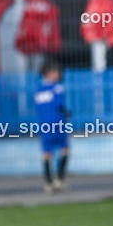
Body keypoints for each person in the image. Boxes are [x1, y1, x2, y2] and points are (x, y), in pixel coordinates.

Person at [34, 60, 70, 193]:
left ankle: (48, 182)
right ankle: (59, 180)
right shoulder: (57, 87)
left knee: (46, 153)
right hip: (57, 123)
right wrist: (67, 113)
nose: (59, 74)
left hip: (44, 125)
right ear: (48, 73)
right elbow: (59, 105)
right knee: (65, 150)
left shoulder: (39, 90)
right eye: (56, 71)